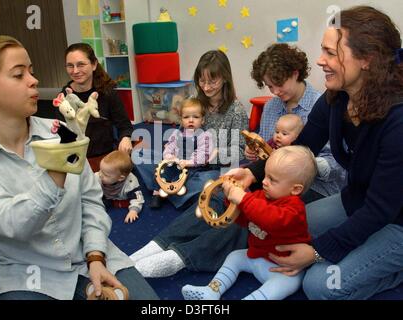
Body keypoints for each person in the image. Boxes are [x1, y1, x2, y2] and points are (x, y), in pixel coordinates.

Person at [229, 6, 403, 299]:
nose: (320, 60)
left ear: (367, 59)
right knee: (287, 229)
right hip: (357, 201)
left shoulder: (398, 120)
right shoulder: (336, 98)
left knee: (319, 284)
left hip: (396, 220)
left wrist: (319, 251)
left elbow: (381, 209)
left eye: (330, 53)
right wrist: (252, 172)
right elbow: (301, 149)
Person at [0, 36, 158, 300]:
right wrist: (56, 171)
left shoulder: (60, 132)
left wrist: (95, 256)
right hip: (26, 274)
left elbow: (91, 202)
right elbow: (10, 223)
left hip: (91, 255)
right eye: (18, 74)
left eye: (31, 71)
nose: (33, 81)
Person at [130, 50, 249, 277]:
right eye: (201, 80)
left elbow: (240, 150)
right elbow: (180, 131)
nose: (206, 86)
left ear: (224, 77)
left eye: (212, 80)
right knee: (140, 156)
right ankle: (176, 190)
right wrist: (172, 155)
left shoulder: (236, 110)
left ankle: (170, 190)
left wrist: (211, 154)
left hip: (209, 168)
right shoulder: (197, 100)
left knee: (214, 186)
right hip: (184, 161)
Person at [182, 146, 317, 300]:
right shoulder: (261, 196)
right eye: (265, 175)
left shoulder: (295, 208)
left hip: (283, 269)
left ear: (295, 189)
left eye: (272, 179)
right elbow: (245, 220)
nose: (264, 182)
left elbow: (271, 220)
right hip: (256, 255)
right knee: (234, 257)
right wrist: (231, 200)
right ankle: (212, 291)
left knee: (286, 284)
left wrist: (244, 199)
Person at [246, 43, 346, 203]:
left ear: (295, 73)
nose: (275, 92)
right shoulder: (271, 107)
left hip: (316, 186)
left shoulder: (322, 105)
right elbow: (266, 147)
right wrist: (255, 151)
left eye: (279, 84)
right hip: (274, 182)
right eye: (270, 86)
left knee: (269, 208)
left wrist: (298, 164)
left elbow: (337, 165)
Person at [61, 43, 133, 171]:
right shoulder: (65, 96)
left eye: (81, 64)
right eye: (70, 66)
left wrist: (125, 138)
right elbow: (61, 132)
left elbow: (124, 125)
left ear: (94, 64)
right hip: (77, 161)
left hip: (106, 160)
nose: (75, 71)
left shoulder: (107, 92)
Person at [135, 97, 216, 209]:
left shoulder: (205, 136)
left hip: (192, 168)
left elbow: (203, 154)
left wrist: (188, 162)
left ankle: (176, 193)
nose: (191, 120)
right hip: (175, 163)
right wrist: (169, 157)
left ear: (202, 120)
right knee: (161, 172)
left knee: (193, 180)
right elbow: (169, 147)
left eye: (195, 117)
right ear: (181, 120)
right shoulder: (176, 133)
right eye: (186, 117)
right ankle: (158, 192)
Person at [95, 150, 144, 224]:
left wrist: (133, 210)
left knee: (132, 201)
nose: (101, 175)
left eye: (106, 175)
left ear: (120, 178)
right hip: (106, 197)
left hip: (123, 197)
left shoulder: (130, 182)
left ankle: (118, 203)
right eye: (101, 170)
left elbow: (137, 198)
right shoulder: (98, 176)